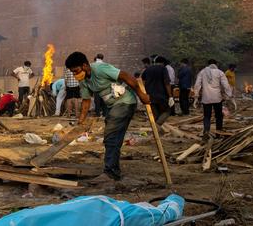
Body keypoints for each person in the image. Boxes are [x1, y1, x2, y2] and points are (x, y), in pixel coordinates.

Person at [65, 52, 150, 182]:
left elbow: (126, 76)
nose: (75, 75)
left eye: (76, 71)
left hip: (125, 102)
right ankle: (112, 170)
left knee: (111, 135)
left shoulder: (100, 69)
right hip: (112, 106)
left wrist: (141, 95)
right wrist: (81, 120)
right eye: (73, 73)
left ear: (84, 65)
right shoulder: (83, 81)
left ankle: (111, 173)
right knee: (113, 138)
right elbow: (86, 100)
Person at [194, 59, 233, 139]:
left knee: (206, 116)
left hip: (206, 98)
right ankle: (218, 133)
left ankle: (206, 132)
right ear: (216, 64)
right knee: (219, 116)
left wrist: (196, 97)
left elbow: (197, 85)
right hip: (217, 98)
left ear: (208, 64)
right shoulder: (220, 72)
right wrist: (230, 96)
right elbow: (226, 85)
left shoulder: (202, 72)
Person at [141, 56, 173, 126]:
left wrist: (144, 94)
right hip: (162, 96)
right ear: (163, 63)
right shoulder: (163, 69)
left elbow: (142, 82)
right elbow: (167, 83)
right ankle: (157, 126)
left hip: (150, 96)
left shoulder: (147, 69)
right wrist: (170, 96)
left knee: (155, 115)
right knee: (167, 111)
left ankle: (156, 132)